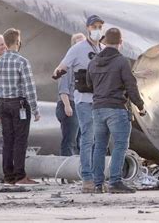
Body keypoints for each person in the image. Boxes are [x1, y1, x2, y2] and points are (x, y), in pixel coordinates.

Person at [87, 28, 146, 194]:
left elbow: (88, 83)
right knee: (120, 146)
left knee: (99, 146)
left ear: (105, 42)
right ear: (121, 43)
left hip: (97, 108)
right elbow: (131, 86)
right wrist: (140, 106)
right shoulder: (122, 61)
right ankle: (115, 182)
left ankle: (98, 184)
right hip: (116, 108)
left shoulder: (93, 62)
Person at [52, 15, 105, 193]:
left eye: (100, 26)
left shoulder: (103, 49)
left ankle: (99, 178)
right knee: (86, 138)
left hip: (101, 101)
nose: (97, 29)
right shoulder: (77, 49)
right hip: (83, 101)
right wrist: (58, 73)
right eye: (94, 26)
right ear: (88, 28)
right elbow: (61, 68)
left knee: (100, 140)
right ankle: (87, 178)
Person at [0, 28, 41, 185]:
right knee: (20, 140)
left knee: (8, 140)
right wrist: (35, 109)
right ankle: (20, 175)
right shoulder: (22, 62)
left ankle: (8, 176)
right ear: (18, 42)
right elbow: (29, 88)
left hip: (2, 104)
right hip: (18, 104)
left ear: (5, 43)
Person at [55, 33, 86, 159]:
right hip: (69, 103)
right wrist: (67, 106)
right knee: (70, 140)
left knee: (80, 140)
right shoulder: (67, 64)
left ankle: (76, 171)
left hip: (80, 104)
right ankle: (66, 173)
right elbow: (63, 88)